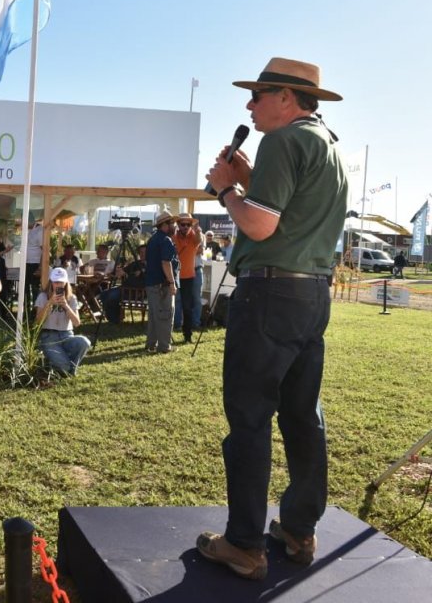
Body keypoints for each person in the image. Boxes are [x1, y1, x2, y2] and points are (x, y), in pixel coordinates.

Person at [195, 57, 348, 580]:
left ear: (286, 97)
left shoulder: (281, 141)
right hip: (311, 296)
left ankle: (243, 544)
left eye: (258, 94)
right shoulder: (328, 146)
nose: (249, 104)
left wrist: (225, 189)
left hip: (268, 296)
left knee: (250, 419)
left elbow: (259, 226)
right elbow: (295, 215)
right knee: (303, 415)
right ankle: (298, 530)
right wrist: (251, 180)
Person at [35, 267, 91, 376]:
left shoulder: (71, 298)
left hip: (67, 335)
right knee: (64, 367)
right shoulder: (43, 296)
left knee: (84, 342)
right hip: (49, 336)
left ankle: (68, 368)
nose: (58, 285)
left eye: (61, 282)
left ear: (66, 283)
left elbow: (77, 323)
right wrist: (49, 303)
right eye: (56, 282)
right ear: (51, 282)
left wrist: (66, 306)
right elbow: (37, 322)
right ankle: (65, 367)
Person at [144, 210, 179, 354]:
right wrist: (172, 283)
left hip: (152, 284)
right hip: (161, 285)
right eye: (173, 223)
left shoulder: (153, 239)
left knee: (154, 315)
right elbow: (166, 263)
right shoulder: (165, 240)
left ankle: (151, 344)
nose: (175, 226)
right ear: (165, 224)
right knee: (165, 314)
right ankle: (164, 346)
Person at [173, 213, 202, 343]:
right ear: (178, 225)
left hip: (188, 278)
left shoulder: (194, 237)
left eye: (188, 224)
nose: (185, 227)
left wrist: (197, 230)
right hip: (174, 276)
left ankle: (188, 335)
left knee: (187, 307)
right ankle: (171, 329)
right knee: (173, 305)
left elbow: (199, 240)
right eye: (182, 224)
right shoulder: (173, 237)